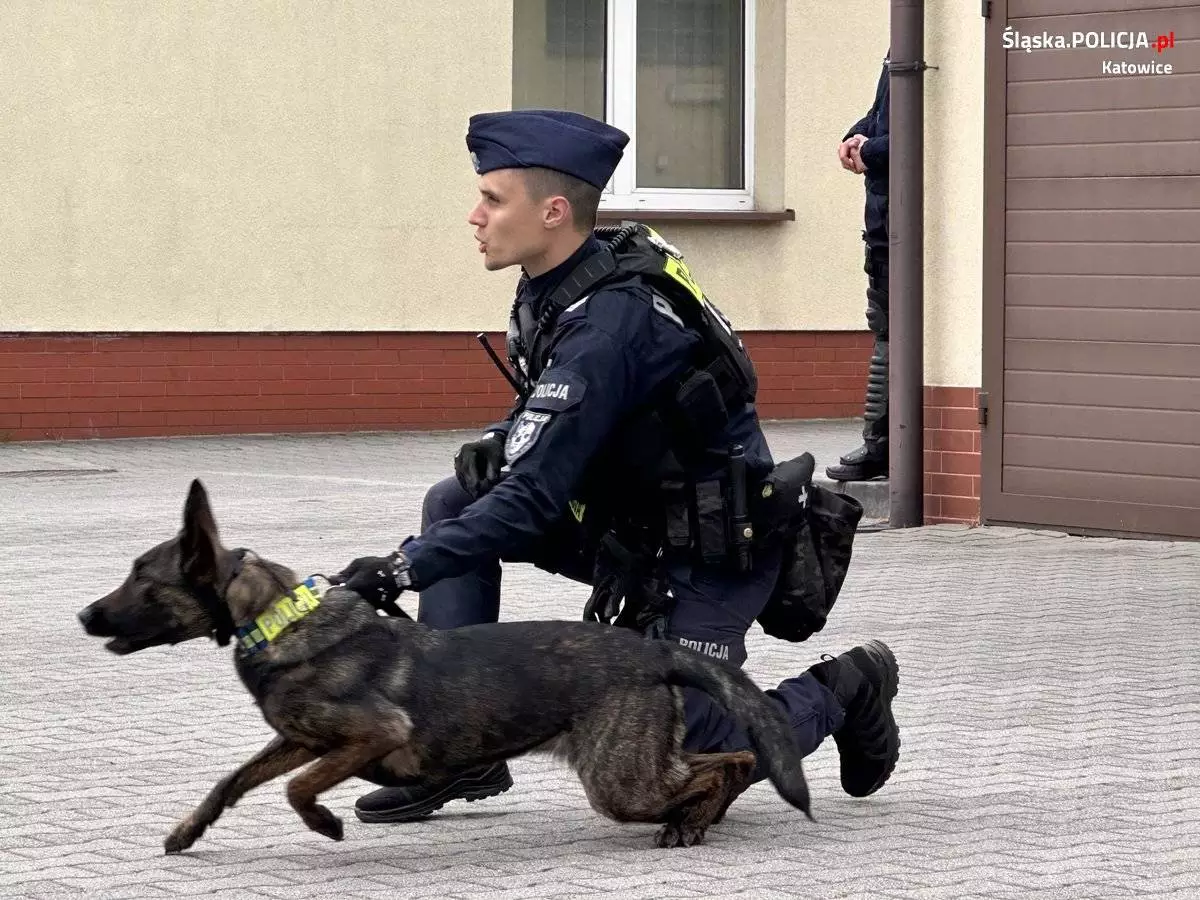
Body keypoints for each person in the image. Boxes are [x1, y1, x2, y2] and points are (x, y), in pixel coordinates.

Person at [336, 108, 901, 824]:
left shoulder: (610, 322)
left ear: (553, 210)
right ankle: (463, 747)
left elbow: (533, 498)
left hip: (716, 551)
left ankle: (846, 687)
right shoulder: (562, 280)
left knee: (679, 760)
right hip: (636, 533)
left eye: (493, 198)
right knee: (459, 498)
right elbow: (569, 410)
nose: (475, 216)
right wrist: (500, 435)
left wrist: (401, 569)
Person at [826, 51, 891, 483]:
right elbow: (881, 115)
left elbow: (932, 127)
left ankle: (879, 447)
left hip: (904, 223)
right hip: (882, 224)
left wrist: (876, 151)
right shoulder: (895, 48)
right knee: (884, 325)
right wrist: (856, 136)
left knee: (890, 333)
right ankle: (880, 446)